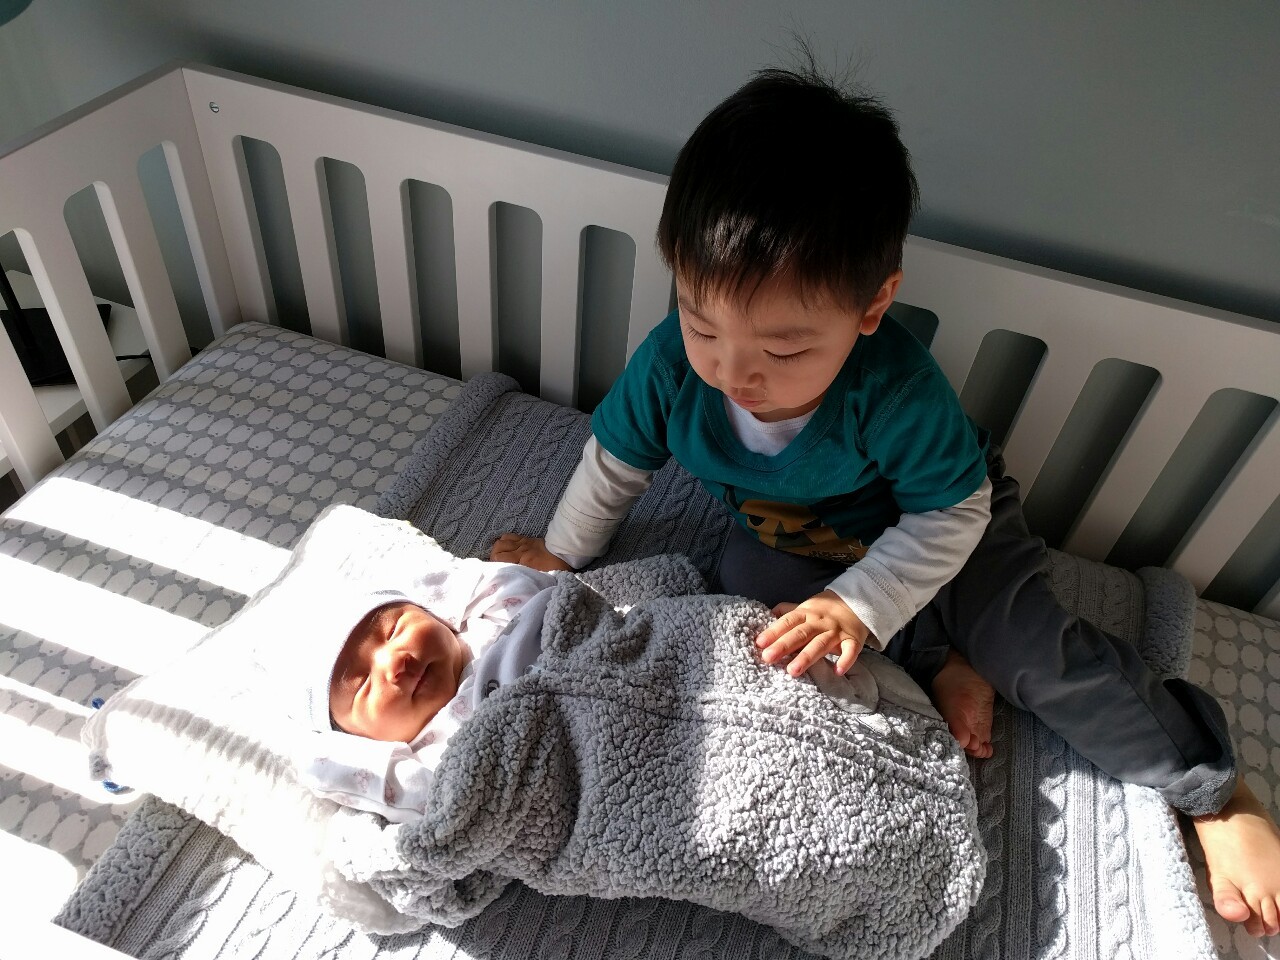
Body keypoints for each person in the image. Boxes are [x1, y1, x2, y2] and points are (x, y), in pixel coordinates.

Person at [490, 63, 1280, 937]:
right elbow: (614, 462)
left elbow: (953, 512)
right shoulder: (675, 367)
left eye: (784, 352)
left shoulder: (896, 392)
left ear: (872, 308)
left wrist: (861, 601)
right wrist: (563, 556)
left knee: (1026, 647)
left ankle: (1212, 787)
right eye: (701, 321)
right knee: (747, 585)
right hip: (806, 543)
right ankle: (937, 655)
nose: (735, 371)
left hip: (949, 528)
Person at [286, 559, 555, 823]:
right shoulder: (424, 762)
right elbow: (447, 811)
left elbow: (531, 592)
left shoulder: (489, 628)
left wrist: (442, 591)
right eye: (363, 684)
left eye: (393, 630)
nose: (394, 661)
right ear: (359, 740)